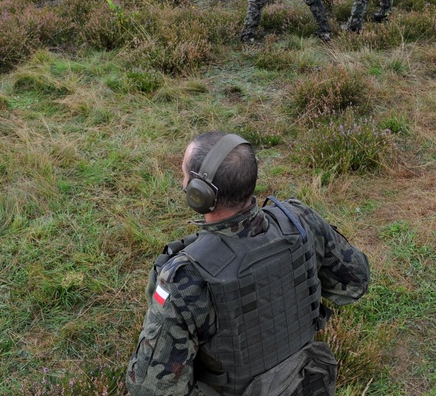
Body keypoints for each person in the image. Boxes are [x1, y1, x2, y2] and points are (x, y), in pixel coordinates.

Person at [126, 131, 371, 396]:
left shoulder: (186, 277)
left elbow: (150, 388)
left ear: (200, 193)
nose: (182, 181)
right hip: (306, 382)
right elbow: (356, 281)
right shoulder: (300, 221)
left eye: (185, 175)